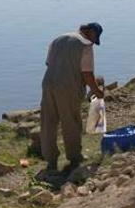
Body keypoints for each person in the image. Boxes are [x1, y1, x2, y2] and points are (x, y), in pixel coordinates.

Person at [39, 23, 106, 173]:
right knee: (70, 121)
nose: (94, 43)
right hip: (68, 86)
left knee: (48, 121)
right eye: (95, 38)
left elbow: (49, 63)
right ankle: (74, 157)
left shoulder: (57, 40)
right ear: (89, 31)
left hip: (48, 83)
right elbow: (87, 74)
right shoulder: (85, 45)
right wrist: (96, 91)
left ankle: (51, 161)